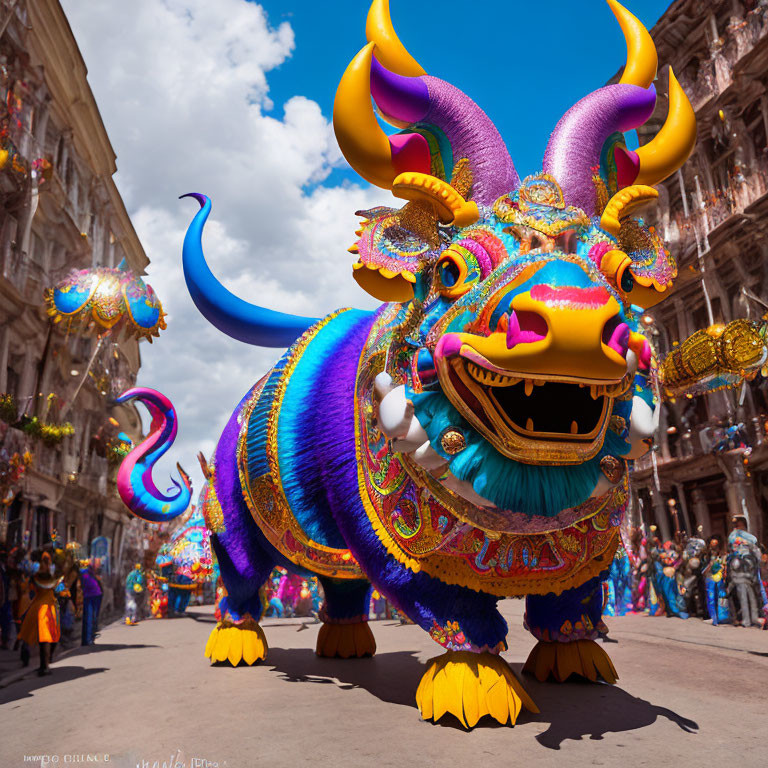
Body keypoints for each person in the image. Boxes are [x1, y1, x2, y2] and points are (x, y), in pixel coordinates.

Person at [18, 551, 61, 676]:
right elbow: (60, 590)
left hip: (36, 607)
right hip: (49, 609)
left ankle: (36, 662)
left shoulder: (34, 576)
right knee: (48, 638)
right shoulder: (52, 578)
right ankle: (45, 665)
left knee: (29, 634)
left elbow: (25, 588)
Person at [79, 559, 102, 645]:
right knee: (89, 618)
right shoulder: (84, 573)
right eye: (97, 565)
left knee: (93, 618)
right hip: (89, 597)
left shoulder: (92, 574)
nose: (98, 567)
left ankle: (91, 637)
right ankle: (88, 639)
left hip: (95, 596)